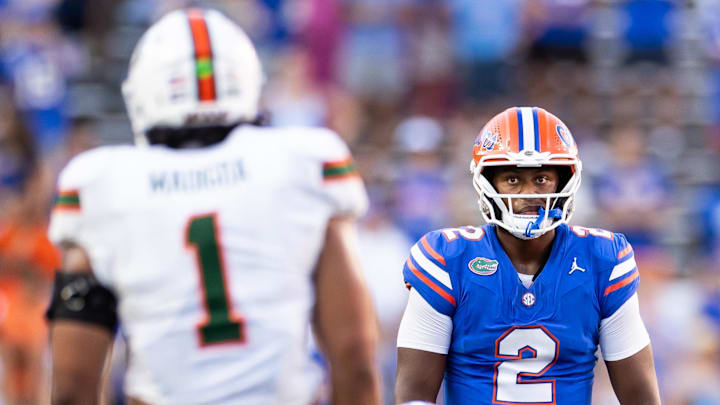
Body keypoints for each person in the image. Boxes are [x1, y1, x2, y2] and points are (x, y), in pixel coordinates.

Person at [46, 8, 381, 405]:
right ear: (248, 82)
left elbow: (71, 388)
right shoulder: (304, 162)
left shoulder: (100, 184)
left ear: (143, 92)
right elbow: (355, 359)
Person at [394, 107, 660, 404]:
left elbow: (640, 396)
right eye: (512, 179)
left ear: (564, 181)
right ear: (486, 181)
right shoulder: (446, 259)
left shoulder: (602, 260)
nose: (528, 193)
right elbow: (414, 397)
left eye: (542, 179)